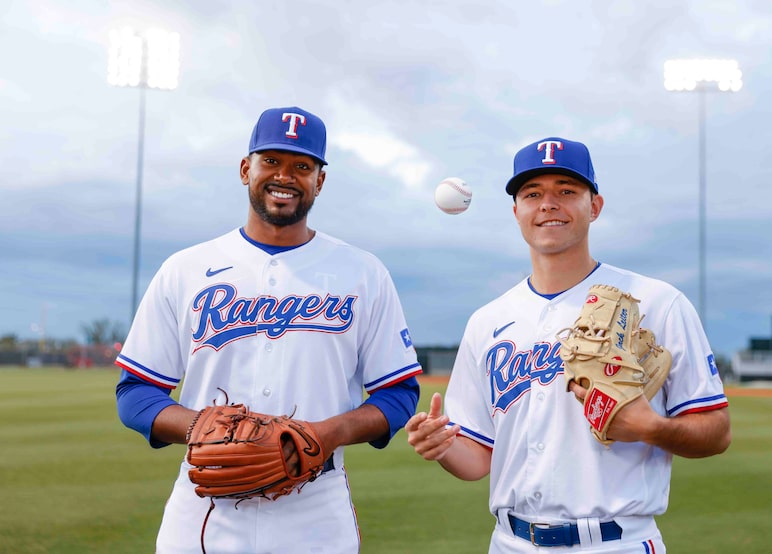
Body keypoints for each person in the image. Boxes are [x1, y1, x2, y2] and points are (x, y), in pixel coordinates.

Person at [115, 106, 422, 553]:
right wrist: (203, 426)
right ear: (246, 169)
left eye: (302, 166)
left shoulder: (363, 273)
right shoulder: (186, 269)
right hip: (205, 505)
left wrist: (325, 434)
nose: (285, 176)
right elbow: (135, 395)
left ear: (320, 181)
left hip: (316, 508)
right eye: (271, 162)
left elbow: (398, 395)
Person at [406, 137, 731, 553]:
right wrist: (443, 447)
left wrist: (651, 428)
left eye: (566, 191)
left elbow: (716, 431)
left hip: (616, 543)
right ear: (517, 211)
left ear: (594, 206)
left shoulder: (656, 302)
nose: (548, 204)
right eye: (533, 194)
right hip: (510, 543)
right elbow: (478, 458)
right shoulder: (486, 322)